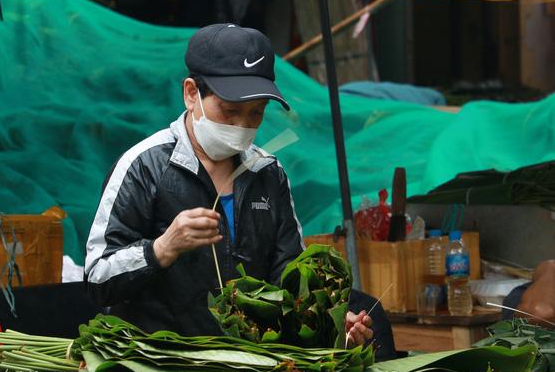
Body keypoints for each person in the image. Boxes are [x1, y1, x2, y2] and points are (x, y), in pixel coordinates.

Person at [84, 23, 373, 347]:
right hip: (160, 366)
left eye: (256, 113)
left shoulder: (268, 173)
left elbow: (290, 284)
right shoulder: (144, 167)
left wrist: (333, 326)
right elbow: (98, 277)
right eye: (230, 110)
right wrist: (163, 248)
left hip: (253, 370)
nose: (242, 126)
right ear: (192, 93)